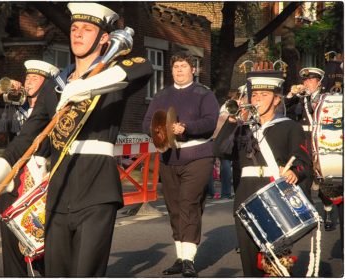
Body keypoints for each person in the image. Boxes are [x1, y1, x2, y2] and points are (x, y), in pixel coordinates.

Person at [0, 2, 153, 277]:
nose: (78, 34)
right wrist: (1, 166)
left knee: (85, 273)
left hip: (97, 190)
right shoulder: (56, 86)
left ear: (104, 38)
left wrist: (86, 86)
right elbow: (29, 133)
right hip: (58, 190)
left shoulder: (113, 75)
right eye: (74, 28)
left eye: (87, 29)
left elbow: (143, 67)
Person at [214, 70, 312, 276]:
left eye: (264, 95)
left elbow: (304, 161)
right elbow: (219, 151)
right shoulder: (243, 128)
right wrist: (231, 123)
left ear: (277, 100)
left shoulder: (289, 127)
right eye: (255, 95)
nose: (257, 99)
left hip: (275, 194)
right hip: (245, 196)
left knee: (276, 262)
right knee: (249, 263)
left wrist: (294, 171)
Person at [0, 60, 59, 276]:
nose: (29, 81)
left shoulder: (55, 111)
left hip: (41, 182)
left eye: (35, 78)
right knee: (11, 242)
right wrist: (2, 88)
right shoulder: (13, 109)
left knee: (40, 241)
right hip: (13, 181)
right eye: (27, 77)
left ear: (47, 85)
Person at [143, 52, 219, 277]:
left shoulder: (204, 94)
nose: (179, 70)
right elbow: (147, 122)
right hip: (169, 156)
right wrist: (161, 131)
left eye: (184, 66)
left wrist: (186, 128)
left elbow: (210, 121)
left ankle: (188, 259)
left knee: (188, 202)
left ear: (193, 70)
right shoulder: (161, 95)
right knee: (174, 206)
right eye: (176, 66)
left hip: (198, 155)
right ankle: (180, 256)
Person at [284, 67, 336, 231]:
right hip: (304, 144)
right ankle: (310, 215)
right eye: (304, 80)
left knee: (323, 182)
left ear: (319, 82)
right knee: (303, 179)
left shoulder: (327, 98)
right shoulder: (300, 99)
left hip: (321, 145)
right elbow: (283, 109)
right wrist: (291, 94)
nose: (306, 83)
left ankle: (328, 212)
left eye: (310, 80)